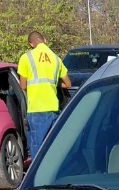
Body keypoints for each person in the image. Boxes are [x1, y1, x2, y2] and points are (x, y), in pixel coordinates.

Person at [17, 31, 71, 160]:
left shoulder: (26, 57)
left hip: (37, 109)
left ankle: (38, 178)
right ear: (44, 40)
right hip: (54, 108)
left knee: (38, 148)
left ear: (31, 44)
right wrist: (51, 84)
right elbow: (68, 84)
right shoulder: (56, 58)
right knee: (53, 147)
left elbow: (23, 86)